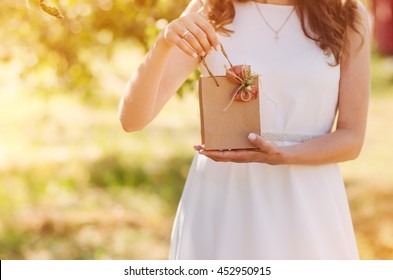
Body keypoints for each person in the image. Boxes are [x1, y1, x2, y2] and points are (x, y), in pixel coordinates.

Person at [118, 0, 370, 259]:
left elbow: (352, 138)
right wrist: (164, 43)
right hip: (225, 198)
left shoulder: (346, 13)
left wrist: (284, 155)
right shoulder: (212, 8)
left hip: (308, 203)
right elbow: (132, 120)